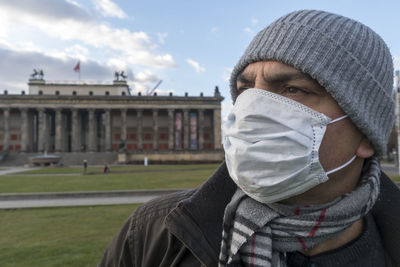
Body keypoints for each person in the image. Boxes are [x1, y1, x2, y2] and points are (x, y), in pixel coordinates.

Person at [98, 10, 400, 267]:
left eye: (293, 89)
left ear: (367, 133)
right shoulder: (153, 232)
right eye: (246, 91)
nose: (254, 111)